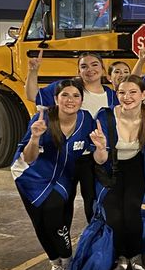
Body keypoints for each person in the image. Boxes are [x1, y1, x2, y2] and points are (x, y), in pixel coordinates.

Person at [11, 79, 95, 270]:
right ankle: (54, 264)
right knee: (39, 223)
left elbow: (95, 151)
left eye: (76, 96)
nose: (70, 100)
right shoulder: (42, 120)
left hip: (63, 178)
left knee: (55, 217)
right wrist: (35, 138)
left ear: (82, 100)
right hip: (31, 176)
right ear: (56, 99)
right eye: (65, 95)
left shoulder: (86, 120)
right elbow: (28, 158)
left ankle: (66, 262)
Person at [25, 51, 117, 223]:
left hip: (92, 158)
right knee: (63, 199)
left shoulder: (112, 96)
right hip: (65, 156)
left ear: (103, 69)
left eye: (94, 65)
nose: (90, 69)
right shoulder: (68, 89)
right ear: (78, 71)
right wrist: (33, 71)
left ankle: (94, 238)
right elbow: (32, 96)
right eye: (84, 66)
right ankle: (62, 236)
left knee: (93, 199)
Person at [89, 75, 145, 270]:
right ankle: (122, 258)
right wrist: (101, 147)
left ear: (143, 95)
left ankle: (136, 257)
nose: (127, 97)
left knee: (131, 211)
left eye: (132, 92)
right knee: (114, 215)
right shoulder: (105, 116)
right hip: (110, 168)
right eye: (122, 92)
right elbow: (99, 160)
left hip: (136, 168)